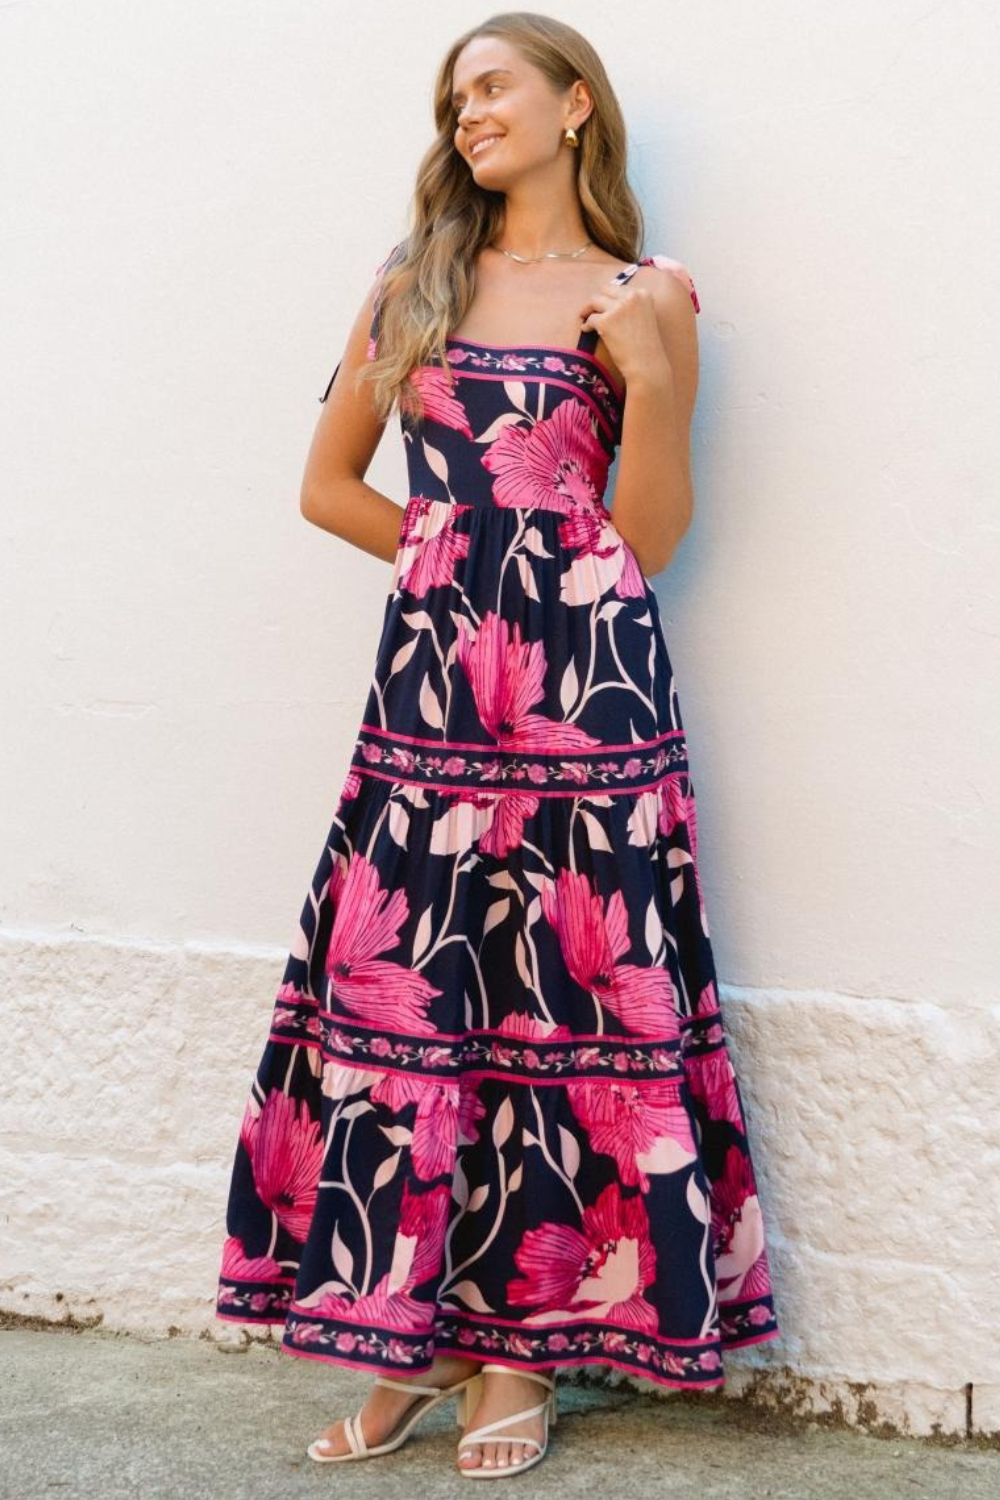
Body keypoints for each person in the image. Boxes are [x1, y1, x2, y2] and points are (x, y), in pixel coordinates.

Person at [214, 9, 781, 1480]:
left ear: (574, 105)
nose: (467, 115)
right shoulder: (416, 282)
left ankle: (517, 1360)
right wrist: (458, 558)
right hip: (430, 702)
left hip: (591, 701)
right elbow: (328, 486)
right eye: (451, 99)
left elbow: (647, 535)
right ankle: (419, 1343)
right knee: (412, 1007)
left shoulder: (648, 293)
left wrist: (650, 377)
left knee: (556, 1008)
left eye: (492, 87)